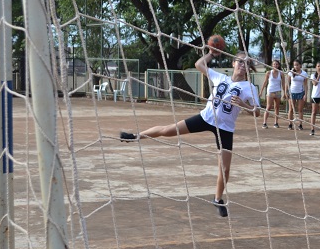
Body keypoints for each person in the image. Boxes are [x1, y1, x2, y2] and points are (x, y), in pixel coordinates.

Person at [119, 48, 260, 218]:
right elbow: (199, 64)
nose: (243, 65)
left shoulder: (249, 87)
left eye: (247, 63)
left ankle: (217, 199)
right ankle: (135, 136)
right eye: (240, 61)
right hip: (206, 117)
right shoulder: (220, 77)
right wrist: (210, 53)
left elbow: (257, 111)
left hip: (225, 128)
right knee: (168, 130)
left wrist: (243, 105)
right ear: (233, 63)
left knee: (225, 168)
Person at [260, 59, 286, 128]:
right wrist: (261, 91)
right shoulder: (268, 73)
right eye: (274, 64)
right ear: (272, 65)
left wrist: (285, 93)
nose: (275, 65)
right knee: (268, 107)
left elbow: (283, 84)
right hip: (270, 91)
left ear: (279, 65)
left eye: (277, 64)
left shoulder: (281, 73)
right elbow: (265, 82)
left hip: (278, 91)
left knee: (277, 107)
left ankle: (276, 122)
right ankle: (264, 122)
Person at [286, 59, 308, 130]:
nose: (296, 66)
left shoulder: (304, 73)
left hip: (300, 92)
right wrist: (286, 92)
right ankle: (290, 124)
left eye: (297, 65)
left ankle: (300, 124)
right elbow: (288, 82)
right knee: (291, 109)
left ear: (300, 65)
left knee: (300, 109)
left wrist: (305, 94)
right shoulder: (291, 72)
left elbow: (305, 85)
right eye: (295, 65)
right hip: (292, 92)